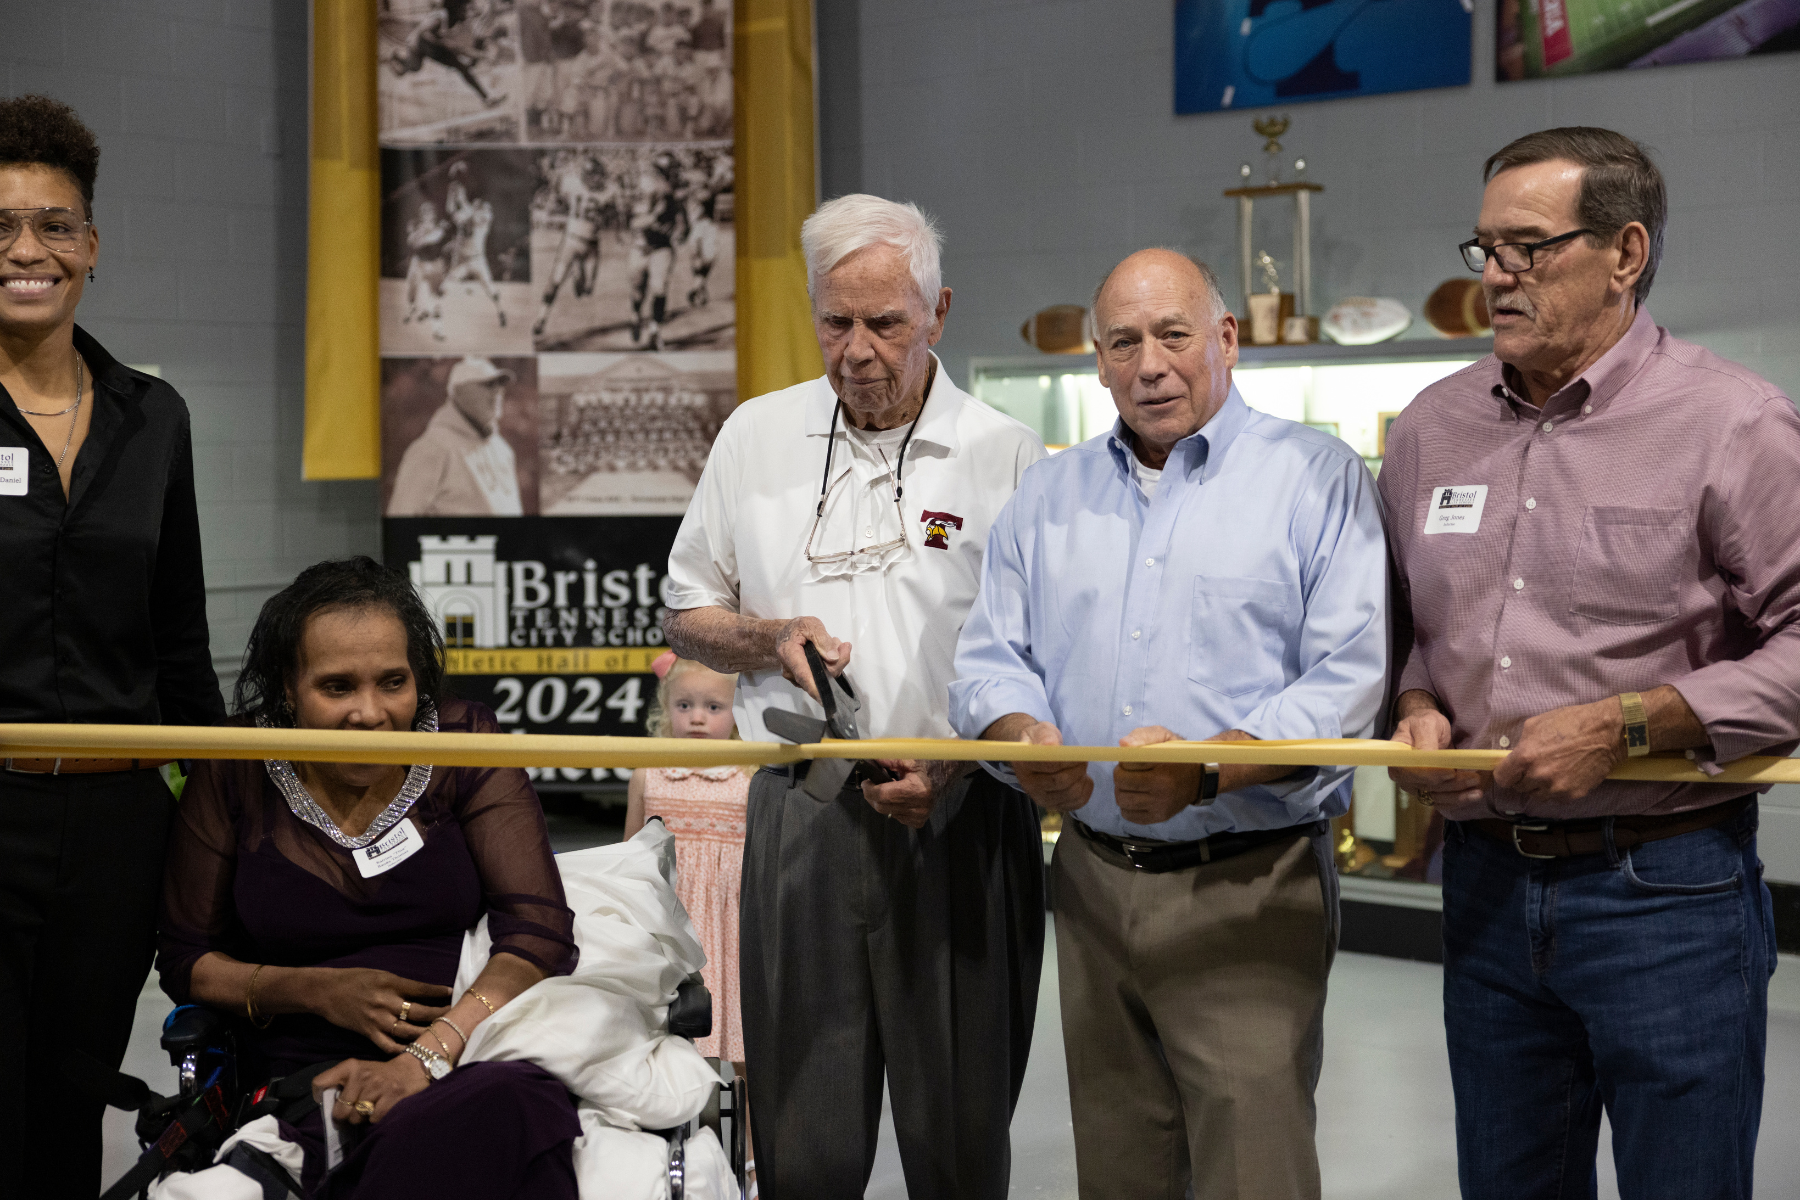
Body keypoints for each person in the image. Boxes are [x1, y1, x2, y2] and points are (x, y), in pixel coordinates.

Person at [1381, 127, 1796, 1200]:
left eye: (1527, 248)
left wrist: (1624, 727)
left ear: (1626, 252)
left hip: (1665, 890)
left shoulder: (1731, 423)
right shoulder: (1430, 429)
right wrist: (1418, 697)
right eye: (1482, 250)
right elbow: (1414, 627)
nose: (1495, 279)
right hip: (1479, 885)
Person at [952, 248, 1389, 1200]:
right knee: (1119, 1171)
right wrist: (1023, 737)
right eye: (1124, 341)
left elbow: (1349, 680)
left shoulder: (1316, 478)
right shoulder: (1048, 496)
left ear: (1226, 340)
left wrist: (1211, 768)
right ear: (1097, 362)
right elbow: (989, 656)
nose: (1150, 364)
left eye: (1174, 334)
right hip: (1093, 884)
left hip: (1249, 887)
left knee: (1251, 1171)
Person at [663, 193, 1047, 1199]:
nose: (858, 349)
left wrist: (961, 771)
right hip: (800, 809)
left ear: (940, 311)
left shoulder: (1004, 455)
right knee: (804, 1128)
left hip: (964, 811)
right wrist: (765, 635)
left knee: (959, 1129)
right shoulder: (756, 437)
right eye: (836, 320)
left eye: (886, 321)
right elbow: (686, 611)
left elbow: (1043, 650)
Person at [158, 557, 581, 1196]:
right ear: (287, 688)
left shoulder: (465, 745)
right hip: (304, 1073)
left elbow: (540, 933)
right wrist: (317, 991)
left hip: (469, 1056)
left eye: (393, 682)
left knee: (507, 1109)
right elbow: (188, 960)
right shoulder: (235, 761)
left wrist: (429, 1055)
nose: (371, 713)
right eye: (336, 688)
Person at [0, 94, 225, 1198]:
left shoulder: (155, 416)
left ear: (89, 247)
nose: (25, 251)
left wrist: (227, 812)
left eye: (51, 225)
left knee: (72, 1096)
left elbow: (180, 637)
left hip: (115, 828)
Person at [623, 653, 749, 1064]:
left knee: (745, 1038)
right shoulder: (650, 772)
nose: (697, 718)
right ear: (666, 708)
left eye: (713, 707)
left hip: (733, 926)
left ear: (736, 713)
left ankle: (748, 1128)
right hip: (668, 921)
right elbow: (629, 853)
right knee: (664, 1040)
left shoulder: (748, 777)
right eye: (684, 705)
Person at [387, 355, 524, 516]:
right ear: (459, 391)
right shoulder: (433, 448)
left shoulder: (502, 449)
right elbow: (402, 517)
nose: (497, 392)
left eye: (500, 385)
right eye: (488, 384)